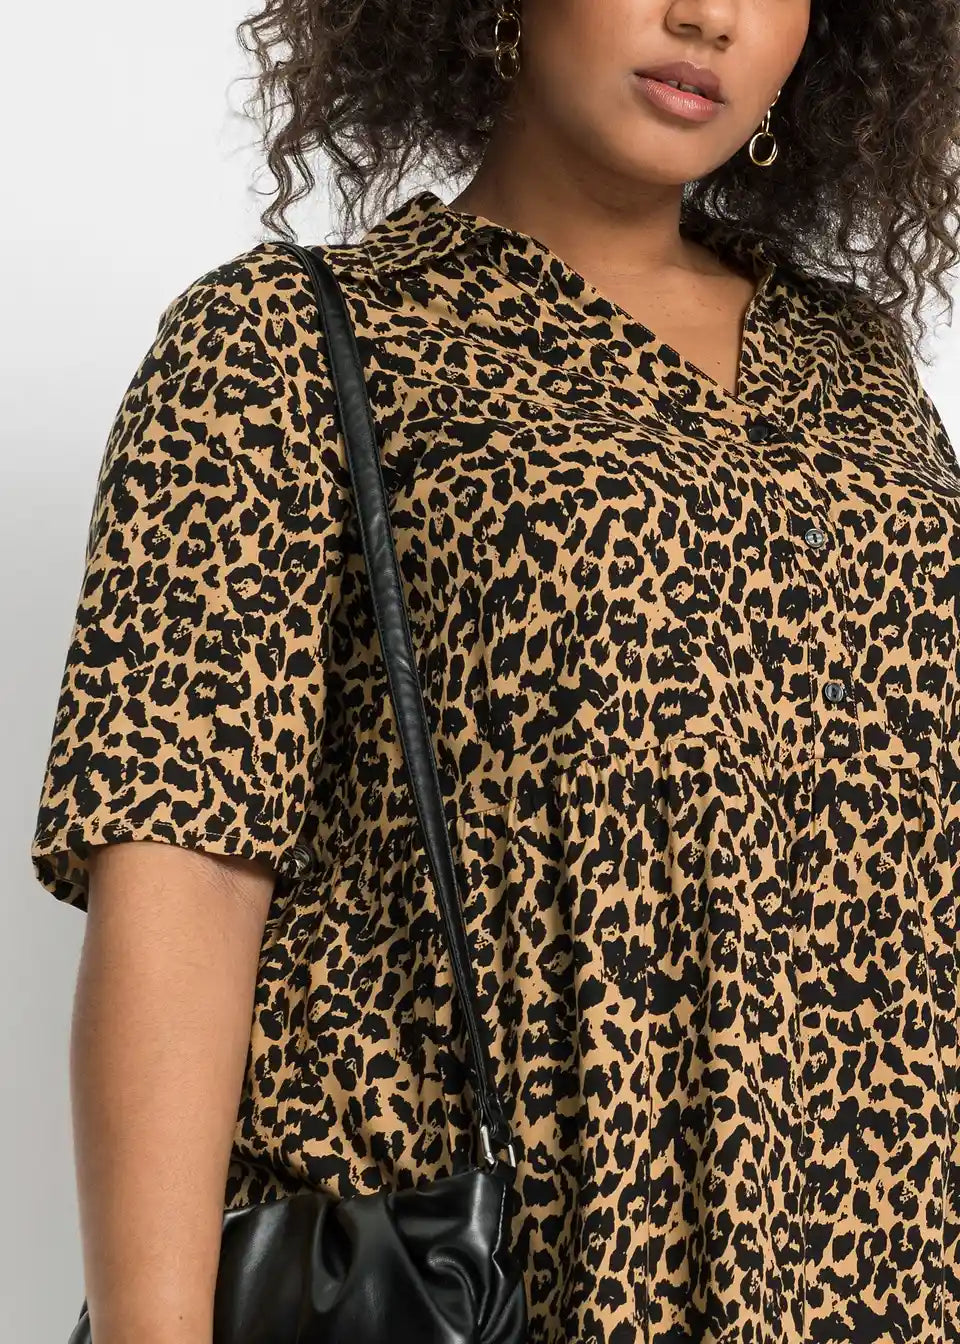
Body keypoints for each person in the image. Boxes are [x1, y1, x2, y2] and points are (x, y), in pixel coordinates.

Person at [30, 0, 960, 1339]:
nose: (708, 17)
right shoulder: (286, 344)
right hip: (512, 1271)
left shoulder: (858, 368)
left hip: (885, 1264)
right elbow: (182, 883)